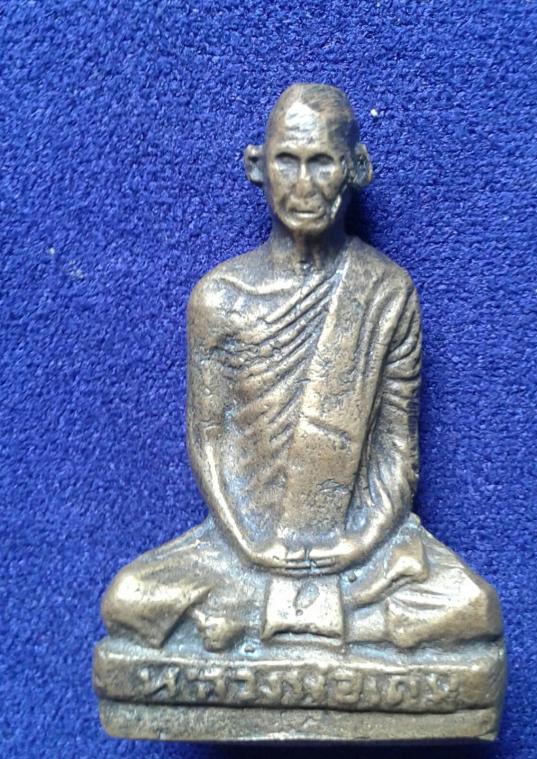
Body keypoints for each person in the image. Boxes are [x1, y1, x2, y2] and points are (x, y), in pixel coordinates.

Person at [102, 84, 501, 652]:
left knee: (473, 607)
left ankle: (255, 620)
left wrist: (358, 544)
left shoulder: (385, 292)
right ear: (257, 167)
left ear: (356, 168)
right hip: (243, 547)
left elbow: (397, 453)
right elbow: (208, 441)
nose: (304, 186)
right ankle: (326, 625)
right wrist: (251, 545)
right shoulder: (219, 298)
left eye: (323, 163)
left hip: (357, 552)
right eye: (287, 161)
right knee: (130, 597)